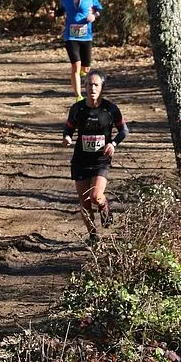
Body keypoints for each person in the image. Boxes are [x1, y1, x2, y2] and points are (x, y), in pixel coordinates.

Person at [62, 71, 128, 242]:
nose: (92, 88)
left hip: (101, 161)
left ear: (102, 88)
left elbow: (123, 130)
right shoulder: (78, 108)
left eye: (96, 85)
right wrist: (67, 137)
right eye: (89, 84)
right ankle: (93, 236)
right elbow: (68, 128)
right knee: (84, 203)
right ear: (84, 87)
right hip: (81, 160)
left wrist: (113, 144)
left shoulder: (110, 109)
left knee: (95, 196)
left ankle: (104, 205)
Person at [54, 0, 103, 102]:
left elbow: (99, 9)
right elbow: (61, 9)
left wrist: (93, 16)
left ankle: (83, 72)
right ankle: (78, 96)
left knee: (86, 68)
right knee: (75, 65)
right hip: (70, 36)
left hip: (86, 36)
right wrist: (53, 14)